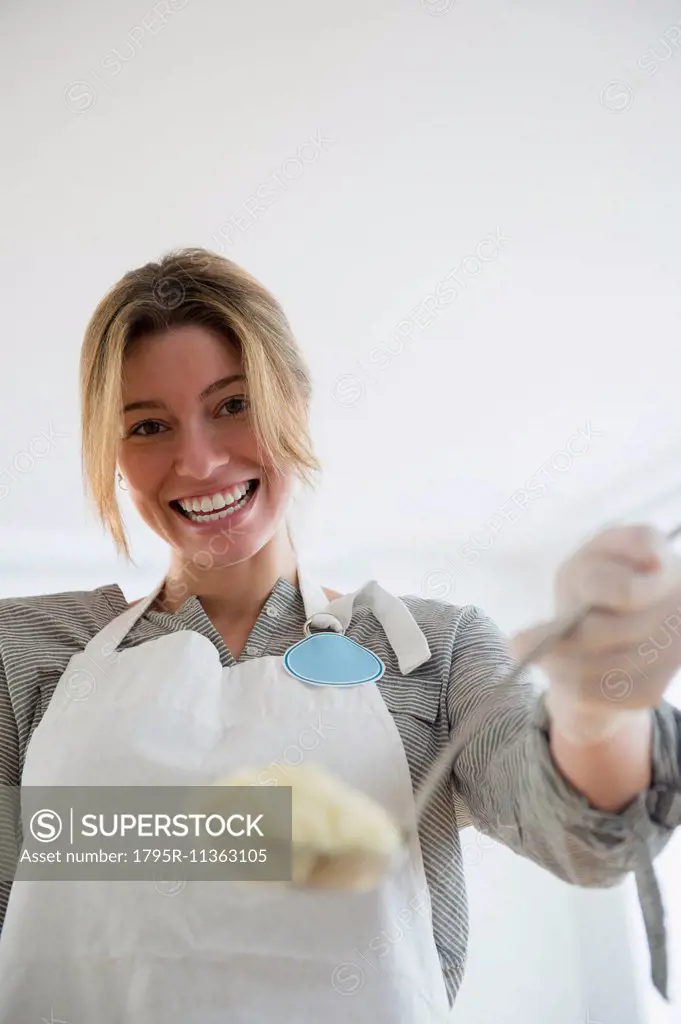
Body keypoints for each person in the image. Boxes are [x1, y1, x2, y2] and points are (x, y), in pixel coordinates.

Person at [0, 247, 679, 1023]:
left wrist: (598, 708)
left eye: (233, 403)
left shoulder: (432, 648)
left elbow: (582, 838)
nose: (198, 459)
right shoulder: (25, 652)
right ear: (113, 456)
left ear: (294, 399)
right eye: (149, 426)